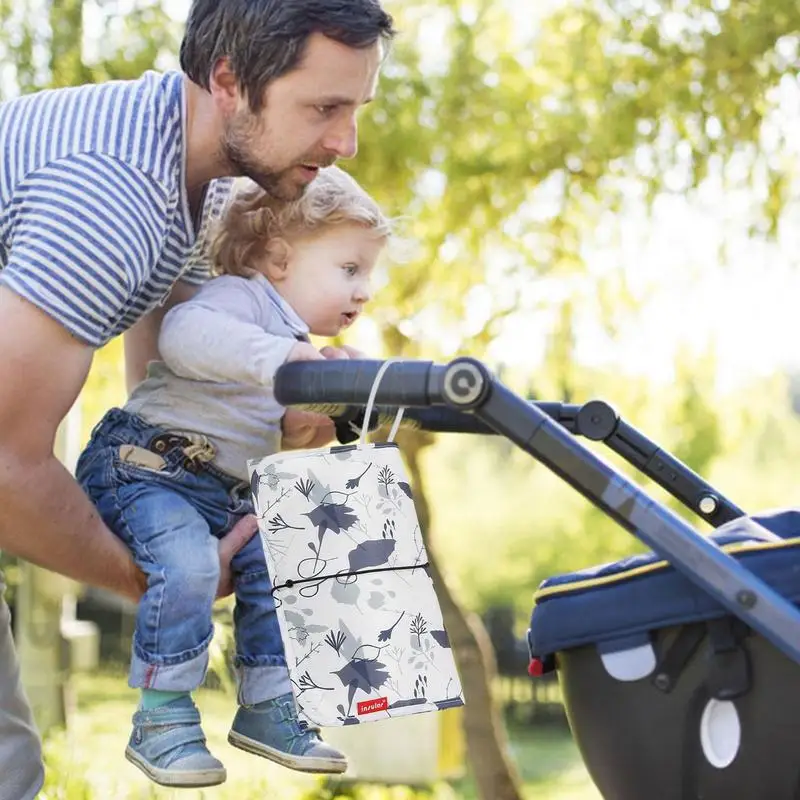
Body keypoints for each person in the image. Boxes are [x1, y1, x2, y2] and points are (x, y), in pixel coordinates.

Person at [0, 1, 395, 796]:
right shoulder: (109, 200)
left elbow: (174, 393)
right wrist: (155, 575)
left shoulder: (209, 187)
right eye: (323, 107)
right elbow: (4, 465)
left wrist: (300, 418)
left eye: (355, 109)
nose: (345, 142)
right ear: (228, 80)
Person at [75, 166, 390, 787]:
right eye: (350, 269)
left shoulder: (297, 339)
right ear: (278, 259)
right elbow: (184, 335)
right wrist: (285, 359)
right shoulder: (240, 298)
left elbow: (291, 426)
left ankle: (268, 704)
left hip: (220, 491)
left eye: (368, 274)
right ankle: (161, 718)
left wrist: (344, 402)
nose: (365, 290)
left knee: (281, 565)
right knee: (189, 565)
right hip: (147, 468)